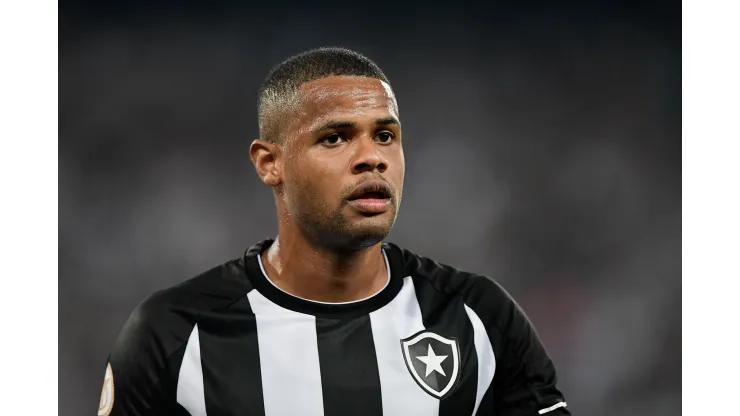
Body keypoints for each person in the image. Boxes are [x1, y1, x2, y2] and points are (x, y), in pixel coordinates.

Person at [98, 47, 570, 416]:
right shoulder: (174, 333)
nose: (372, 157)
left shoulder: (477, 318)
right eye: (336, 137)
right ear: (270, 163)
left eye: (385, 135)